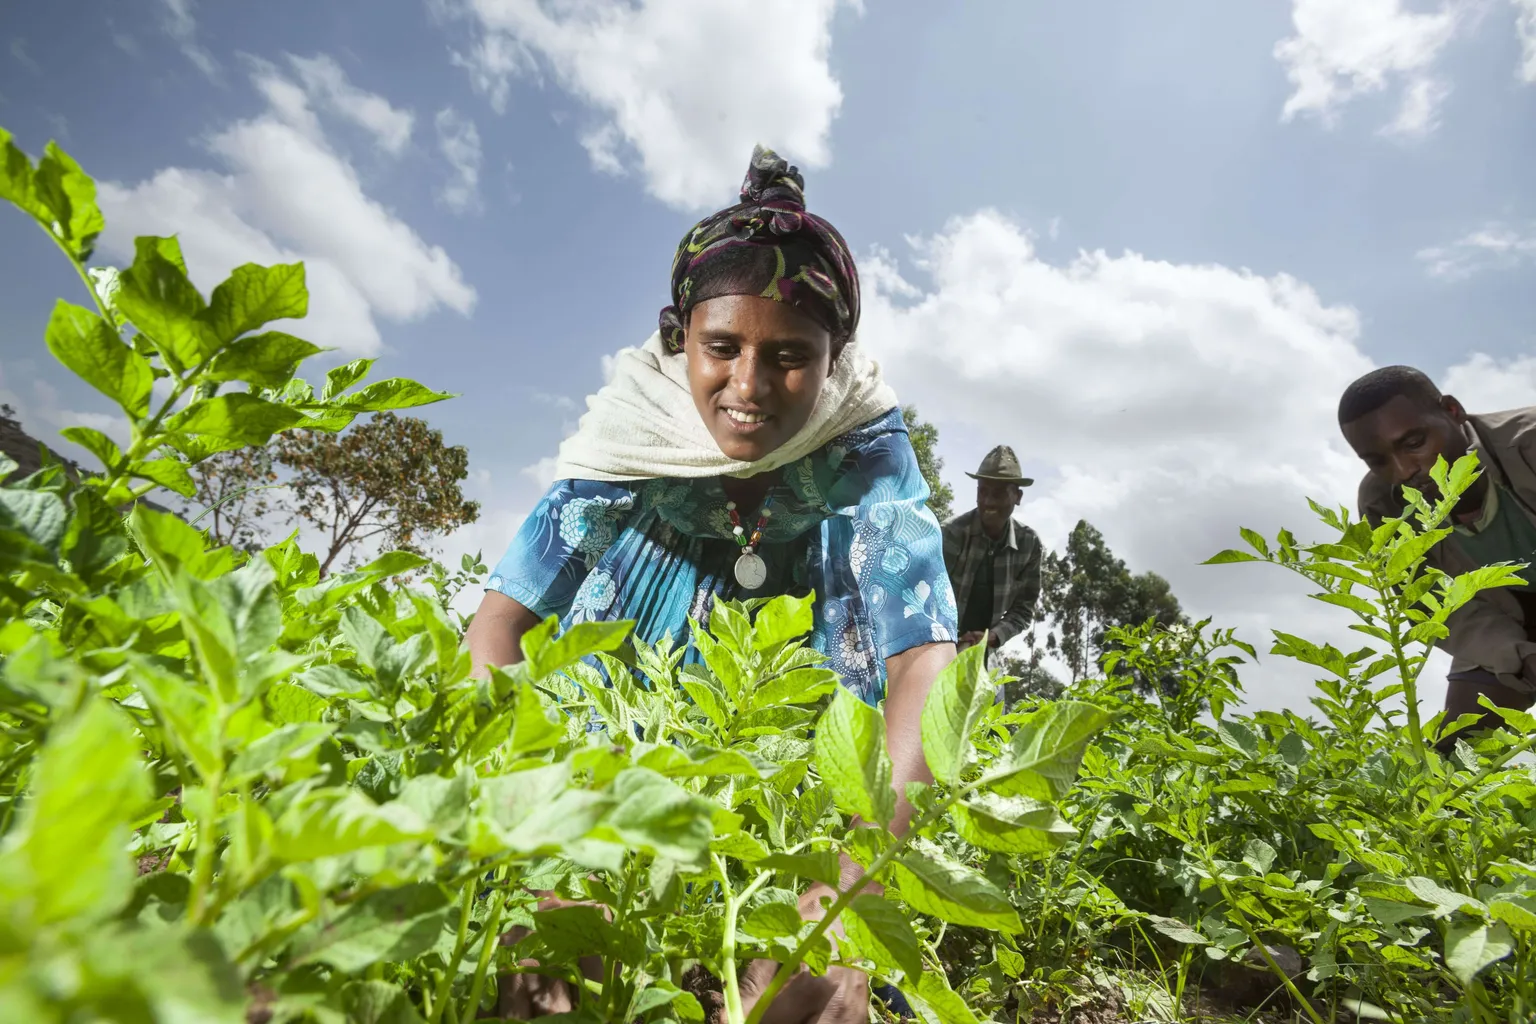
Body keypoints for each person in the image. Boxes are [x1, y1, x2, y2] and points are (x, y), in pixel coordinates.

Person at [465, 145, 958, 1024]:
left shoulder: (864, 449)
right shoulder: (631, 433)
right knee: (554, 974)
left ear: (837, 356)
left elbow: (923, 659)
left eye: (791, 356)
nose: (750, 386)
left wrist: (840, 901)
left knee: (797, 990)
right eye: (721, 347)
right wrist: (538, 840)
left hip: (790, 804)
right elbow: (496, 628)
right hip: (618, 768)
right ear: (676, 338)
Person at [1337, 365, 1536, 743]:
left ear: (1452, 411)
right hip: (1502, 615)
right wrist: (1519, 656)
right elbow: (1443, 608)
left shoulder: (1528, 443)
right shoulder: (1384, 507)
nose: (1404, 470)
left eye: (1413, 443)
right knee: (1457, 755)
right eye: (1377, 460)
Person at [941, 445, 1043, 692]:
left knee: (991, 713)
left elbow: (1023, 609)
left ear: (1017, 497)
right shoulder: (951, 534)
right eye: (982, 492)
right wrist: (954, 638)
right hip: (940, 644)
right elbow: (925, 595)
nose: (987, 502)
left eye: (998, 494)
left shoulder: (1029, 545)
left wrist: (993, 637)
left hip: (986, 650)